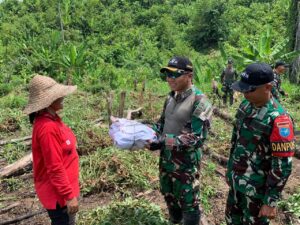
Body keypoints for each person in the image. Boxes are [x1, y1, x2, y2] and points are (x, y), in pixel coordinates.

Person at [225, 63, 295, 225]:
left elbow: (282, 164)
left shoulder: (279, 120)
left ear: (268, 87)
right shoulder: (245, 106)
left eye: (249, 90)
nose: (244, 93)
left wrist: (270, 201)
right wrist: (230, 171)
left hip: (256, 192)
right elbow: (235, 142)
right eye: (243, 89)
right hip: (237, 184)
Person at [148, 56, 213, 225]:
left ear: (189, 75)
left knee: (189, 202)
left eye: (175, 74)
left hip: (186, 165)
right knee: (169, 195)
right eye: (167, 74)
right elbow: (161, 123)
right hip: (166, 161)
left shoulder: (200, 101)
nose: (170, 78)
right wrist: (149, 134)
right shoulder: (170, 97)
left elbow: (197, 138)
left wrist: (164, 141)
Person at [23, 75, 79, 225]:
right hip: (58, 196)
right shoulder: (48, 127)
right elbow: (54, 167)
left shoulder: (52, 119)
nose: (62, 97)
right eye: (57, 95)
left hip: (63, 190)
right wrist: (69, 196)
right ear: (48, 102)